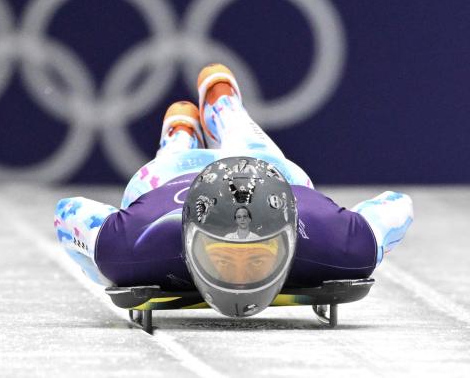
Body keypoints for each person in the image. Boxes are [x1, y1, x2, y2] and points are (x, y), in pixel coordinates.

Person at [53, 64, 414, 317]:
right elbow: (397, 205)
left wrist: (105, 268)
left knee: (246, 153)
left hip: (265, 177)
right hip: (173, 178)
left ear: (292, 238)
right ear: (187, 240)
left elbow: (67, 213)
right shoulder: (132, 242)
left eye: (258, 258)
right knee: (175, 168)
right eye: (222, 257)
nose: (240, 279)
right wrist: (103, 264)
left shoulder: (127, 250)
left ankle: (209, 117)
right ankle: (191, 131)